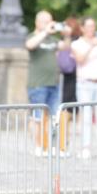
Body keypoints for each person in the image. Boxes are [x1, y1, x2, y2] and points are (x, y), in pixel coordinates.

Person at [25, 10, 71, 156]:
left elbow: (65, 46)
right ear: (37, 22)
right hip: (38, 83)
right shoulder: (34, 36)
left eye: (51, 21)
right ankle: (38, 146)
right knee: (37, 117)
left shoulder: (52, 40)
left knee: (54, 117)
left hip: (53, 83)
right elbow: (30, 45)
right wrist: (45, 32)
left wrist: (67, 35)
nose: (49, 24)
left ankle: (50, 146)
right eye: (45, 21)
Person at [71, 16, 97, 160]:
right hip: (85, 83)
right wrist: (91, 46)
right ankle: (85, 148)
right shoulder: (77, 44)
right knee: (86, 116)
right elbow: (80, 60)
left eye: (93, 26)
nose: (91, 29)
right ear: (82, 28)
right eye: (88, 26)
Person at [56, 16, 81, 154]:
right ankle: (64, 140)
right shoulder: (63, 42)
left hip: (77, 76)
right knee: (66, 108)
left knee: (74, 107)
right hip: (66, 77)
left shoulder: (78, 41)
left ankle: (69, 137)